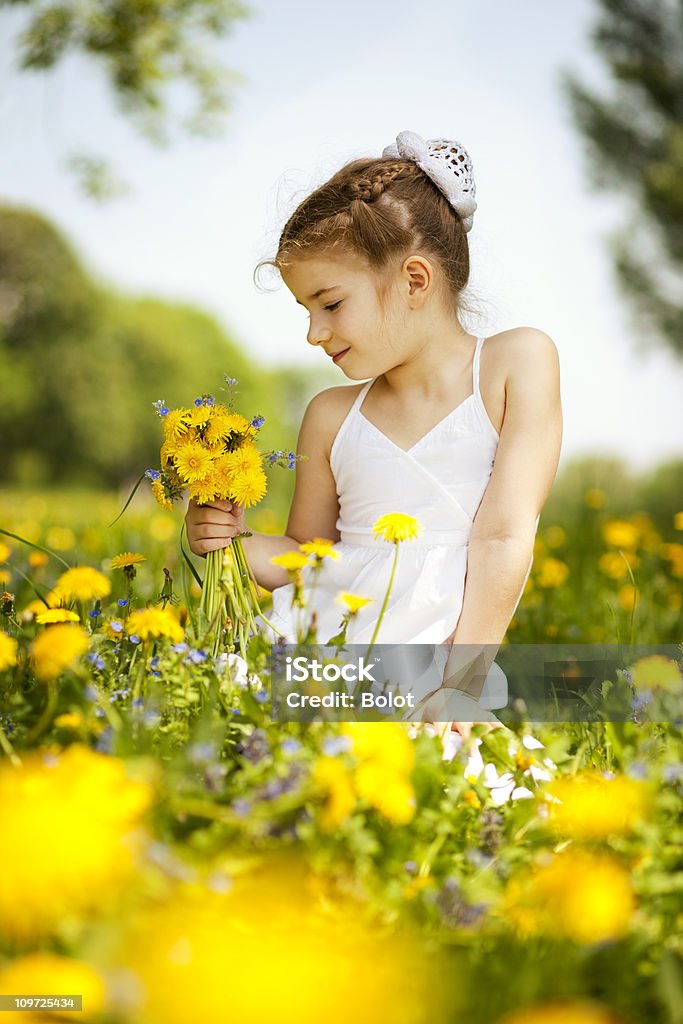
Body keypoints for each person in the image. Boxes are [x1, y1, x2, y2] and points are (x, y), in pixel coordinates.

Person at [185, 130, 563, 728]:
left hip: (436, 661)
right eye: (305, 311)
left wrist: (462, 682)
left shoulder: (515, 363)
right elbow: (309, 560)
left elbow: (503, 536)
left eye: (330, 304)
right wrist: (228, 541)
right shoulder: (332, 414)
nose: (314, 333)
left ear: (416, 281)